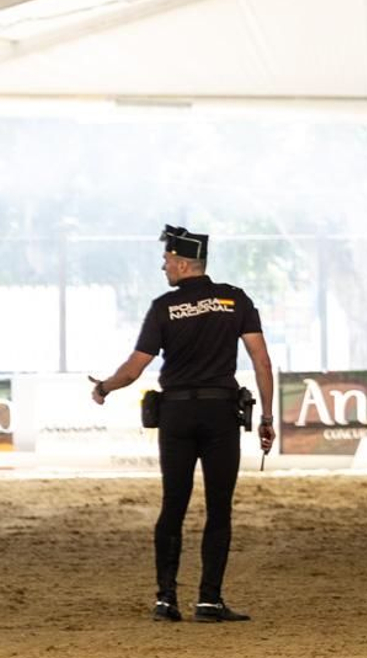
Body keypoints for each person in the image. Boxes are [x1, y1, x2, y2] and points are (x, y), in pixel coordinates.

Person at [88, 225, 275, 623]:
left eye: (167, 260)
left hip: (176, 415)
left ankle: (166, 600)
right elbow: (261, 361)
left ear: (184, 264)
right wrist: (267, 417)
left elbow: (134, 369)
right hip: (220, 414)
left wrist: (104, 387)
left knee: (173, 504)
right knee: (219, 508)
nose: (164, 267)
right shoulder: (235, 299)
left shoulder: (163, 307)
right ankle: (209, 601)